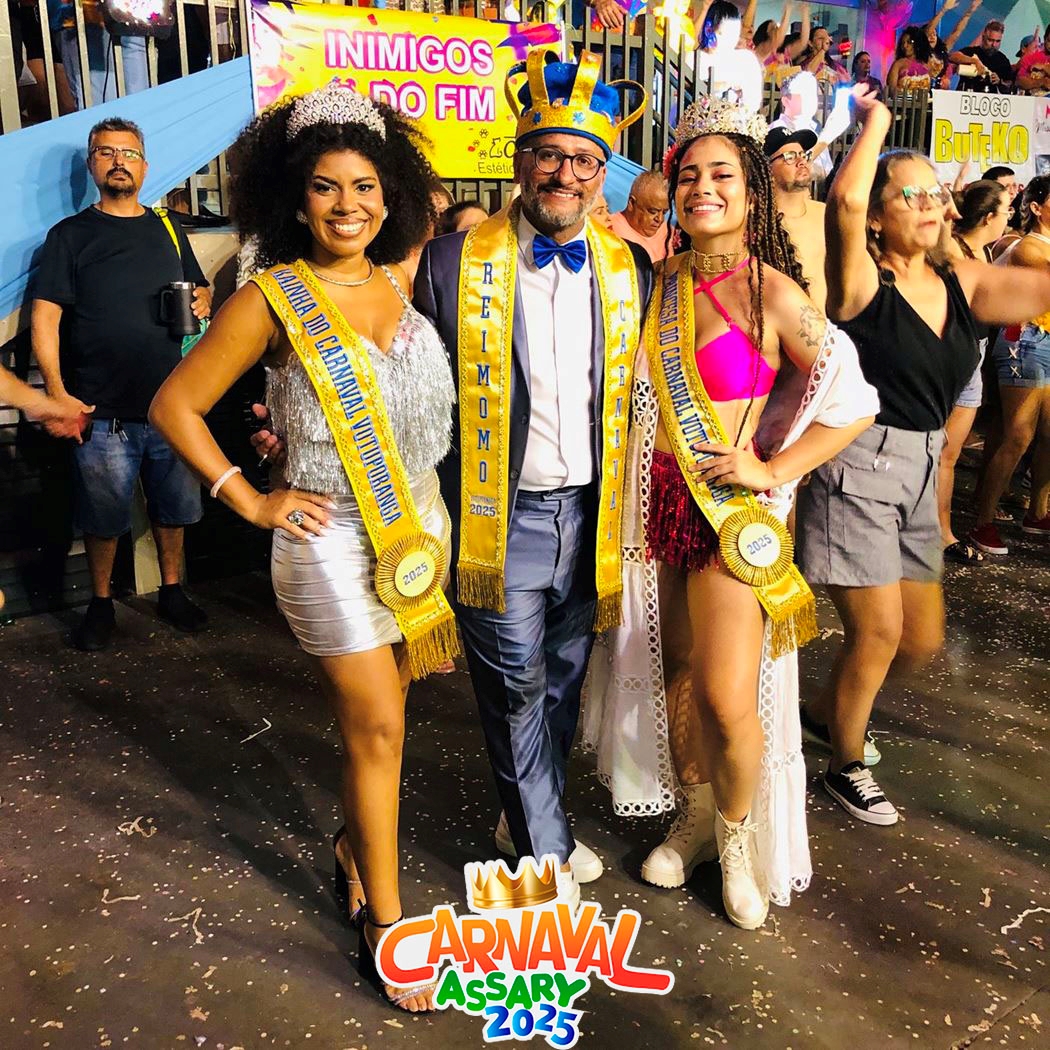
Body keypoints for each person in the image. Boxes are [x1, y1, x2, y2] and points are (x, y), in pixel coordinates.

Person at [149, 83, 455, 1013]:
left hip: (417, 530)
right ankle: (387, 924)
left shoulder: (400, 278)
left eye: (365, 186)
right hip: (327, 539)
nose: (347, 205)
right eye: (325, 187)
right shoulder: (272, 298)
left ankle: (352, 848)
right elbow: (175, 405)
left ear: (391, 195)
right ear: (295, 197)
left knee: (385, 724)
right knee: (379, 728)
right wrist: (249, 497)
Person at [584, 96, 878, 930]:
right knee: (674, 674)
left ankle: (738, 841)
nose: (702, 189)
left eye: (721, 174)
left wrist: (773, 468)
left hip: (728, 517)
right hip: (654, 508)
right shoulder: (658, 280)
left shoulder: (774, 294)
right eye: (688, 175)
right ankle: (694, 816)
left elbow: (854, 401)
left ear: (751, 190)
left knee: (725, 695)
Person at [413, 47, 653, 910]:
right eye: (549, 155)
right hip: (498, 515)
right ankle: (545, 869)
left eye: (584, 161)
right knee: (514, 687)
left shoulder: (630, 269)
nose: (565, 174)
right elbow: (414, 392)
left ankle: (520, 819)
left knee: (558, 684)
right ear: (518, 162)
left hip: (592, 517)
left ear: (601, 176)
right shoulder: (448, 263)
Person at [796, 86, 1050, 826]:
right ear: (878, 216)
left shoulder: (961, 281)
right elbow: (844, 201)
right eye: (911, 195)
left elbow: (1038, 288)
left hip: (921, 474)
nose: (932, 204)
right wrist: (876, 122)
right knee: (877, 633)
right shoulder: (859, 283)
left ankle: (825, 713)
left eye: (936, 192)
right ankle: (844, 765)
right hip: (856, 468)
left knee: (918, 643)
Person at [32, 117, 212, 652]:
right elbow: (45, 318)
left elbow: (201, 292)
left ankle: (172, 590)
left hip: (171, 405)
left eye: (128, 153)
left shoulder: (169, 230)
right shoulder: (70, 236)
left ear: (144, 166)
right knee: (103, 517)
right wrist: (57, 392)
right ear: (92, 165)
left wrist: (205, 299)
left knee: (175, 509)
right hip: (99, 408)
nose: (118, 162)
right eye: (106, 152)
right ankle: (101, 602)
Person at [970, 176, 1050, 552]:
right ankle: (982, 522)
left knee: (1047, 435)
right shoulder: (1027, 246)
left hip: (1045, 340)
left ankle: (1037, 513)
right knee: (1018, 435)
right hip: (1024, 339)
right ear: (1035, 207)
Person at [939, 180, 1012, 563]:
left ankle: (942, 532)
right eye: (1006, 210)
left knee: (949, 455)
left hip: (975, 355)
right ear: (988, 217)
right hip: (950, 356)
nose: (1009, 217)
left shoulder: (985, 251)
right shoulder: (953, 248)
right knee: (934, 452)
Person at [764, 125, 826, 309]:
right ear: (768, 169)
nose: (801, 162)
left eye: (803, 154)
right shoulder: (761, 223)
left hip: (829, 323)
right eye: (789, 157)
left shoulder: (825, 213)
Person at [767, 71, 850, 184]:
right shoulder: (777, 131)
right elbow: (792, 172)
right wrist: (826, 137)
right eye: (804, 94)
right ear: (786, 101)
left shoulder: (814, 128)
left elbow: (825, 171)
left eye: (813, 94)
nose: (811, 99)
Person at [695, 1, 764, 111]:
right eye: (724, 34)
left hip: (736, 119)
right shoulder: (696, 59)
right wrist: (727, 84)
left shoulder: (746, 60)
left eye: (734, 35)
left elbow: (753, 103)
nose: (730, 41)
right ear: (708, 30)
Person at [609, 169, 671, 263]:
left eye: (664, 213)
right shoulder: (609, 229)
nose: (660, 219)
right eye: (653, 211)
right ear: (631, 203)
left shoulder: (666, 230)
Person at [922, 0, 980, 90]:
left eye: (934, 34)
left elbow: (956, 32)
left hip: (939, 92)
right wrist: (943, 10)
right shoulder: (919, 52)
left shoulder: (942, 51)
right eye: (930, 35)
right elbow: (928, 31)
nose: (932, 37)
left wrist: (969, 12)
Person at [950, 17, 1013, 94]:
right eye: (990, 40)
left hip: (990, 98)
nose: (994, 44)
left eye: (997, 41)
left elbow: (1009, 85)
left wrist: (999, 82)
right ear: (983, 38)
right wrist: (974, 61)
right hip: (967, 95)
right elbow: (952, 56)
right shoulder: (972, 52)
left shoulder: (1003, 60)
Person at [887, 26, 932, 95]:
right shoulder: (898, 64)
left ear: (918, 43)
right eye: (903, 43)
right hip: (901, 101)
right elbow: (891, 90)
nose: (905, 45)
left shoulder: (927, 64)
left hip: (923, 101)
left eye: (909, 42)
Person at [1014, 25, 1050, 95]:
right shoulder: (1031, 58)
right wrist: (1041, 82)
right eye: (1049, 41)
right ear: (1045, 38)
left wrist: (1044, 67)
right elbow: (1019, 81)